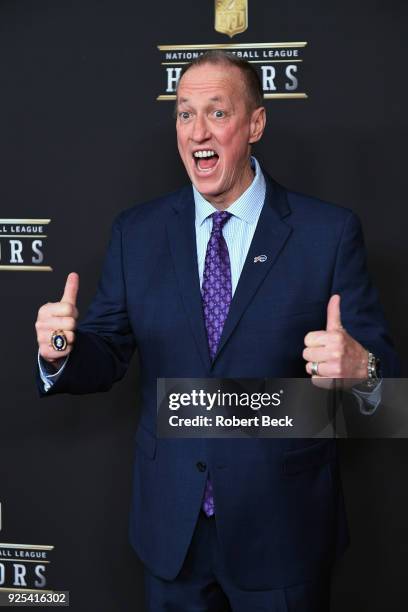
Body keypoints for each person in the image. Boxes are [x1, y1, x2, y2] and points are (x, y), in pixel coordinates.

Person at [35, 51, 399, 611]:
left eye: (216, 112)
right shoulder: (138, 233)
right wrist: (62, 351)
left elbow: (390, 397)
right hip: (171, 536)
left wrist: (364, 370)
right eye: (184, 114)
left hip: (283, 534)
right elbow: (104, 354)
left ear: (254, 124)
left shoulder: (327, 233)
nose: (196, 130)